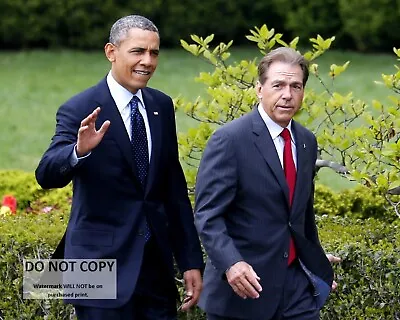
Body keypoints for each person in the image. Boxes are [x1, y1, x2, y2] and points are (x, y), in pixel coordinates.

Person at [35, 14, 203, 320]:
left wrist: (191, 260)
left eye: (154, 52)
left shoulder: (161, 106)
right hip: (96, 265)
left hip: (155, 269)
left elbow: (172, 189)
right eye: (138, 51)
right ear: (111, 52)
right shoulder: (80, 108)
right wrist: (77, 151)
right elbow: (46, 174)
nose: (148, 61)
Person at [194, 47, 336, 320]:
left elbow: (301, 215)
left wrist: (315, 264)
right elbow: (207, 215)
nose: (287, 95)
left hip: (296, 292)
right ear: (259, 89)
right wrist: (232, 263)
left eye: (296, 86)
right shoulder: (230, 140)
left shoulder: (306, 141)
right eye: (278, 85)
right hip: (244, 292)